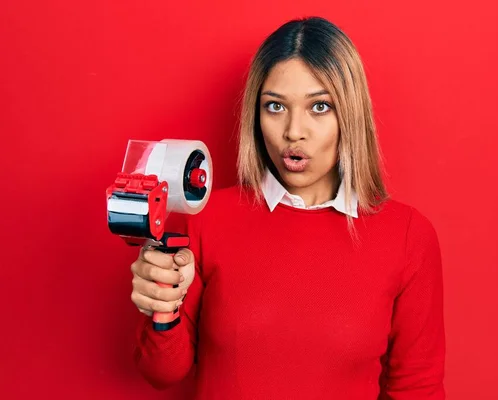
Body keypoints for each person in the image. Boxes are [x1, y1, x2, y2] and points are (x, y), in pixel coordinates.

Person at [129, 16, 445, 399]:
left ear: (351, 114)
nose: (294, 131)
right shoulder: (206, 219)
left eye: (320, 107)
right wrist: (163, 307)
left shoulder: (408, 236)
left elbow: (417, 388)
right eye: (276, 107)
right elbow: (163, 372)